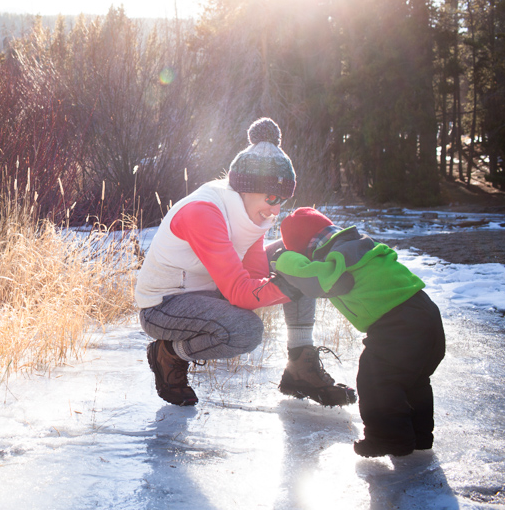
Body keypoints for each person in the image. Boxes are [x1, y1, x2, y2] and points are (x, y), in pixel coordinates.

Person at [134, 117, 356, 408]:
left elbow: (254, 276)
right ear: (246, 188)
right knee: (246, 331)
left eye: (283, 199)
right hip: (165, 307)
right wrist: (291, 286)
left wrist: (301, 271)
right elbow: (241, 294)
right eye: (273, 197)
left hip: (210, 293)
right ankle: (170, 353)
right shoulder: (204, 213)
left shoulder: (250, 210)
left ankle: (300, 367)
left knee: (298, 258)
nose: (276, 209)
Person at [273, 207, 446, 457]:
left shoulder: (337, 257)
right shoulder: (357, 245)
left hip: (398, 324)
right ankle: (418, 436)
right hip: (425, 315)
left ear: (305, 248)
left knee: (376, 380)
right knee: (413, 381)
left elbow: (315, 281)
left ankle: (388, 439)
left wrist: (284, 260)